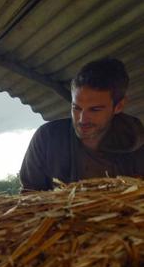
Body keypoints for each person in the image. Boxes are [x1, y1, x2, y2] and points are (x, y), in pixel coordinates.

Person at [20, 58, 144, 191]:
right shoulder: (48, 138)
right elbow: (29, 194)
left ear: (119, 106)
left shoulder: (138, 144)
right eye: (76, 108)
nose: (82, 119)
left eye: (95, 109)